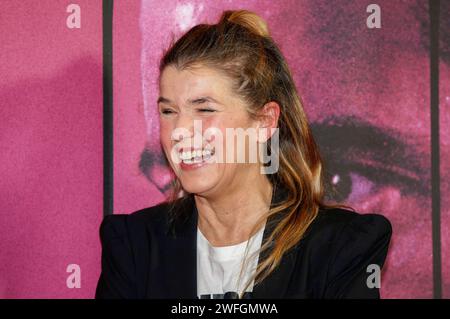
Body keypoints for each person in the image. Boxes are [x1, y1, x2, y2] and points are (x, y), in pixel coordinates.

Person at [96, 9, 392, 299]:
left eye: (204, 109)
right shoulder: (134, 246)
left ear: (265, 122)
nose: (180, 131)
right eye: (169, 111)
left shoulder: (339, 248)